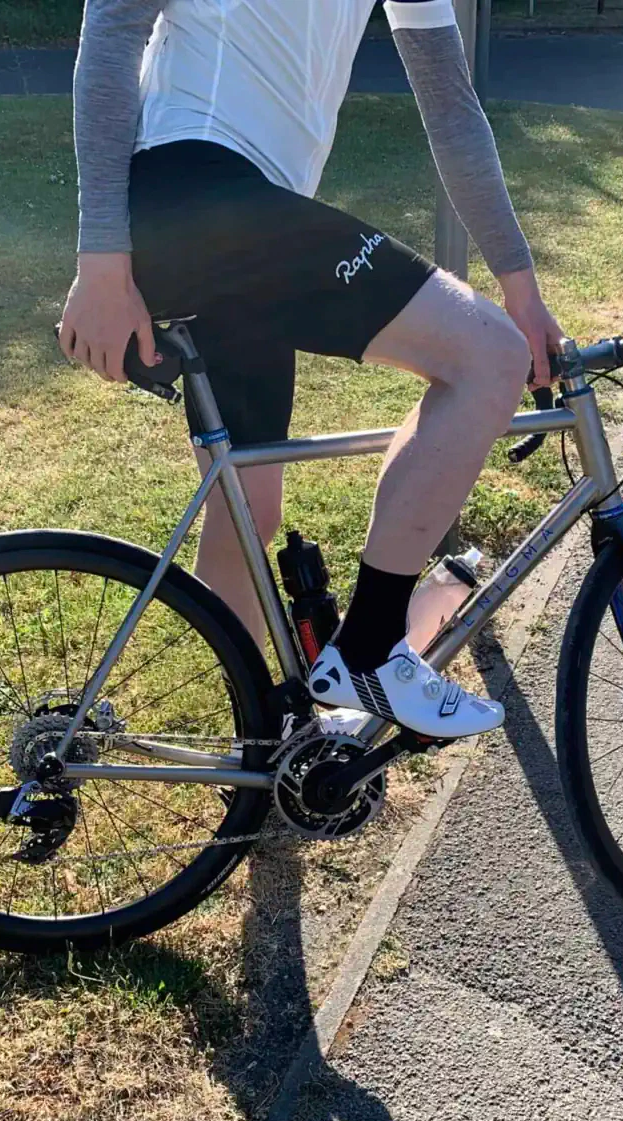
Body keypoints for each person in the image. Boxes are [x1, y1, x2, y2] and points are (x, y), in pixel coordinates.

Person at [58, 0, 563, 739]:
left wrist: (522, 289)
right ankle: (370, 650)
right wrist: (101, 261)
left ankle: (257, 755)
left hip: (246, 221)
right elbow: (113, 25)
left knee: (248, 510)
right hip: (199, 189)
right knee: (489, 355)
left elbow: (452, 112)